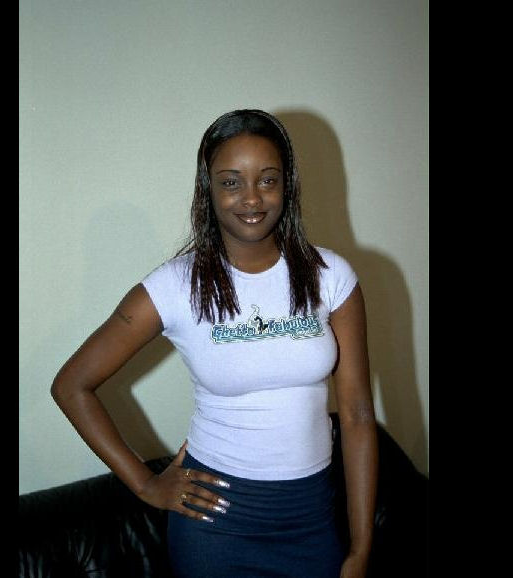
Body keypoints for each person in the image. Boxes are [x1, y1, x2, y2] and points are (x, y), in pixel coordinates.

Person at [51, 109, 378, 578]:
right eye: (231, 182)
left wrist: (361, 547)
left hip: (313, 519)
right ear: (208, 188)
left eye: (268, 180)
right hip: (217, 525)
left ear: (287, 185)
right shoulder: (175, 286)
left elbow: (358, 414)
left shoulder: (331, 277)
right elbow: (72, 385)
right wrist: (145, 484)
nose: (252, 198)